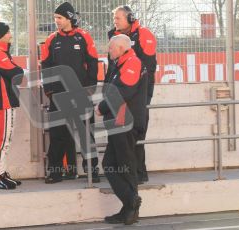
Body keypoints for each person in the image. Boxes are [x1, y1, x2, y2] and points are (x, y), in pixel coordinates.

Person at [41, 2, 99, 183]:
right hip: (58, 95)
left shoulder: (83, 37)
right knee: (57, 134)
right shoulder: (51, 39)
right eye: (55, 18)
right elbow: (45, 66)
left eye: (59, 18)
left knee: (85, 133)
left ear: (69, 18)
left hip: (81, 93)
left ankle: (91, 170)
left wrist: (90, 88)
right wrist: (49, 89)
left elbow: (93, 63)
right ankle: (55, 172)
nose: (56, 21)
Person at [96, 34, 147, 225]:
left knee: (123, 165)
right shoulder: (120, 64)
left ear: (120, 47)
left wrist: (101, 108)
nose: (108, 51)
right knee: (113, 165)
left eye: (111, 47)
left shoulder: (132, 63)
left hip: (125, 123)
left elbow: (123, 91)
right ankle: (129, 208)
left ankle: (131, 202)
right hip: (119, 123)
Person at [107, 5, 157, 183]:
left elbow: (149, 67)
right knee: (120, 133)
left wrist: (137, 91)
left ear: (130, 18)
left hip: (139, 91)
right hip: (120, 89)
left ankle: (139, 173)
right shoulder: (113, 35)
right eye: (114, 19)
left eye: (118, 18)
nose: (115, 22)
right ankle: (126, 172)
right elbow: (112, 65)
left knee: (136, 132)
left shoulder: (144, 34)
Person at [0, 21, 24, 189]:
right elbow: (16, 73)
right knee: (1, 141)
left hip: (7, 102)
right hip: (3, 103)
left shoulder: (1, 51)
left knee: (5, 140)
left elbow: (16, 74)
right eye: (8, 32)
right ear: (1, 35)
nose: (10, 35)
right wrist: (18, 70)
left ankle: (2, 172)